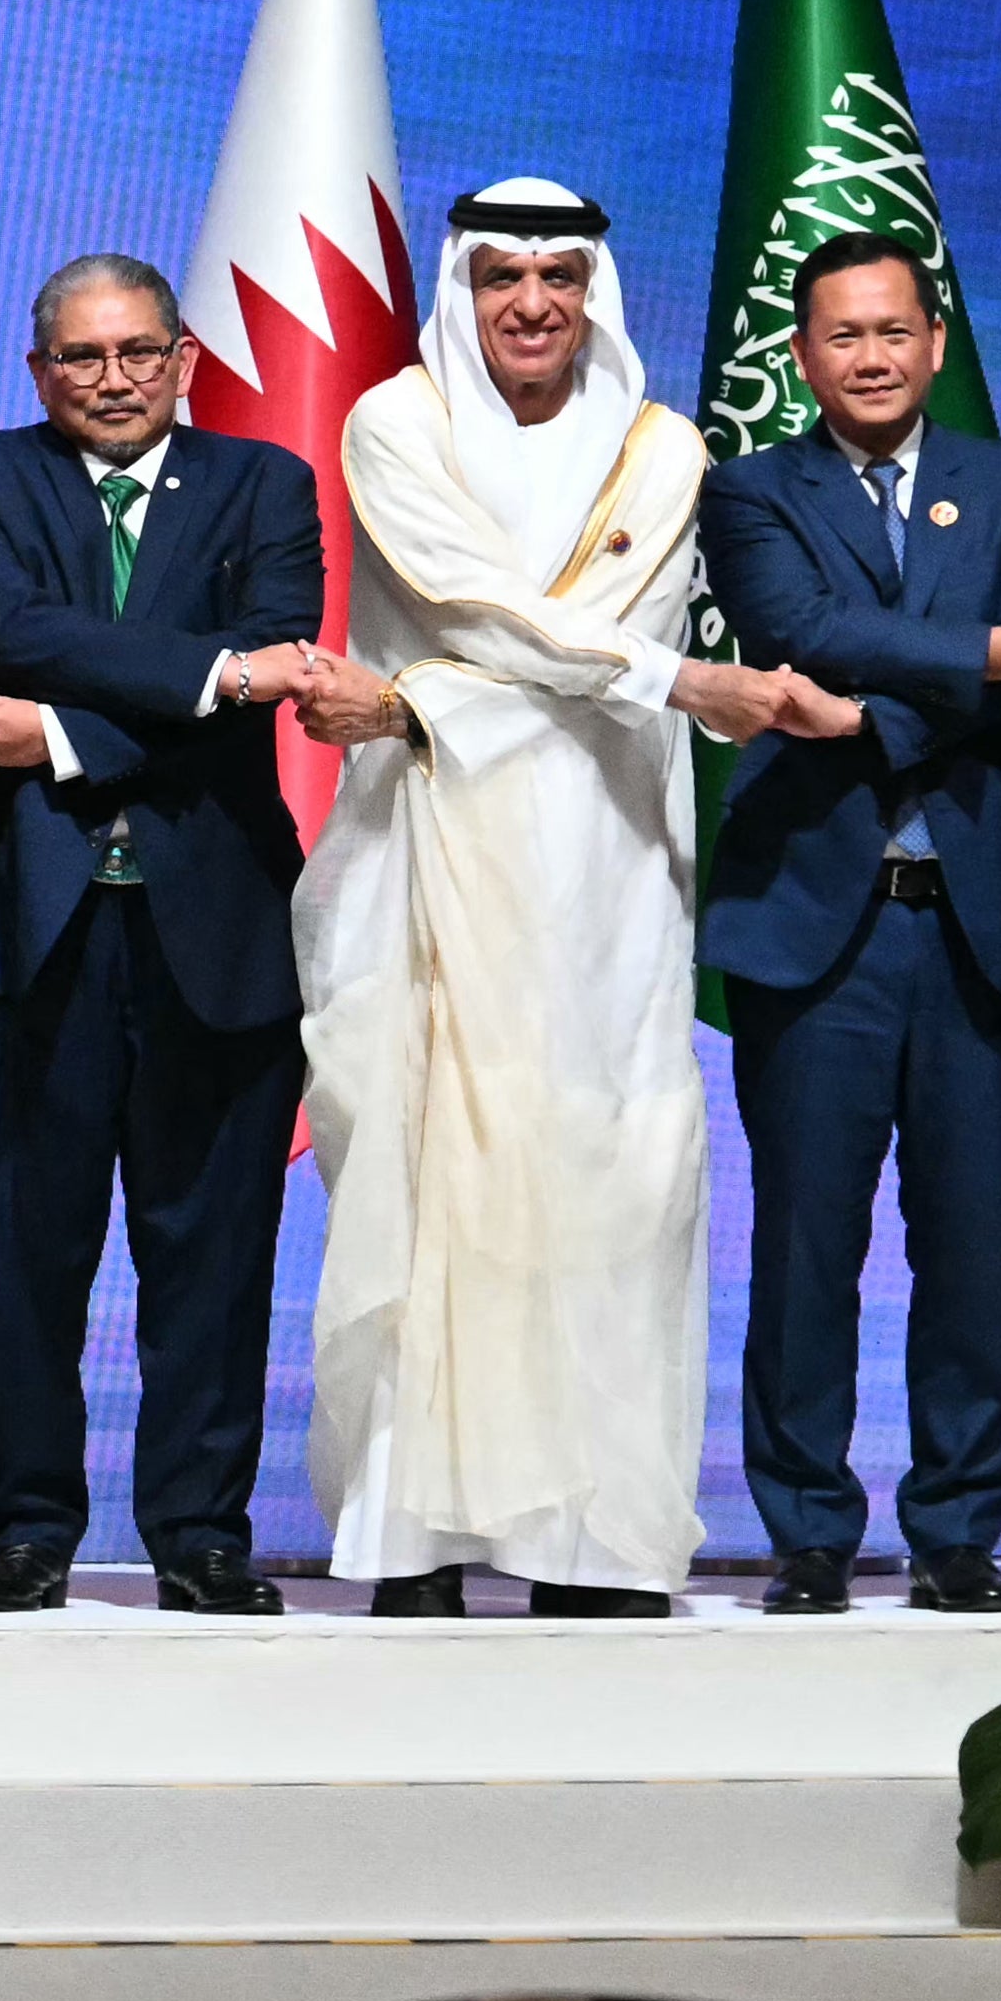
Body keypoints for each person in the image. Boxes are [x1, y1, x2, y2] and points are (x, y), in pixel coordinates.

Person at [299, 182, 780, 1617]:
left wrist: (427, 702)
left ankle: (595, 1539)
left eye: (555, 276)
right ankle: (412, 1530)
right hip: (430, 844)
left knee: (614, 1172)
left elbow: (537, 647)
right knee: (428, 1161)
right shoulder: (396, 423)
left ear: (591, 289)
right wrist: (674, 683)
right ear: (462, 284)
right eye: (499, 274)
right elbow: (469, 608)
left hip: (611, 857)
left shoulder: (662, 446)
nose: (527, 302)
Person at [0, 253, 342, 1616]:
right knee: (17, 1247)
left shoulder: (263, 482)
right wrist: (206, 675)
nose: (111, 379)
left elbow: (281, 642)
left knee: (210, 1246)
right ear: (38, 371)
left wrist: (56, 729)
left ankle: (200, 1531)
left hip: (212, 922)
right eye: (81, 358)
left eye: (136, 352)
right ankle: (27, 1526)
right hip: (7, 925)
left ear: (181, 358)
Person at [694, 231, 1001, 1614]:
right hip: (812, 919)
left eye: (891, 330)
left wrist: (877, 701)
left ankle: (954, 1527)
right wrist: (995, 652)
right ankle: (805, 1526)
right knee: (805, 1236)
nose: (869, 355)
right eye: (840, 335)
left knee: (970, 1235)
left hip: (979, 912)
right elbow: (797, 622)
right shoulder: (749, 487)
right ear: (800, 354)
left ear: (933, 343)